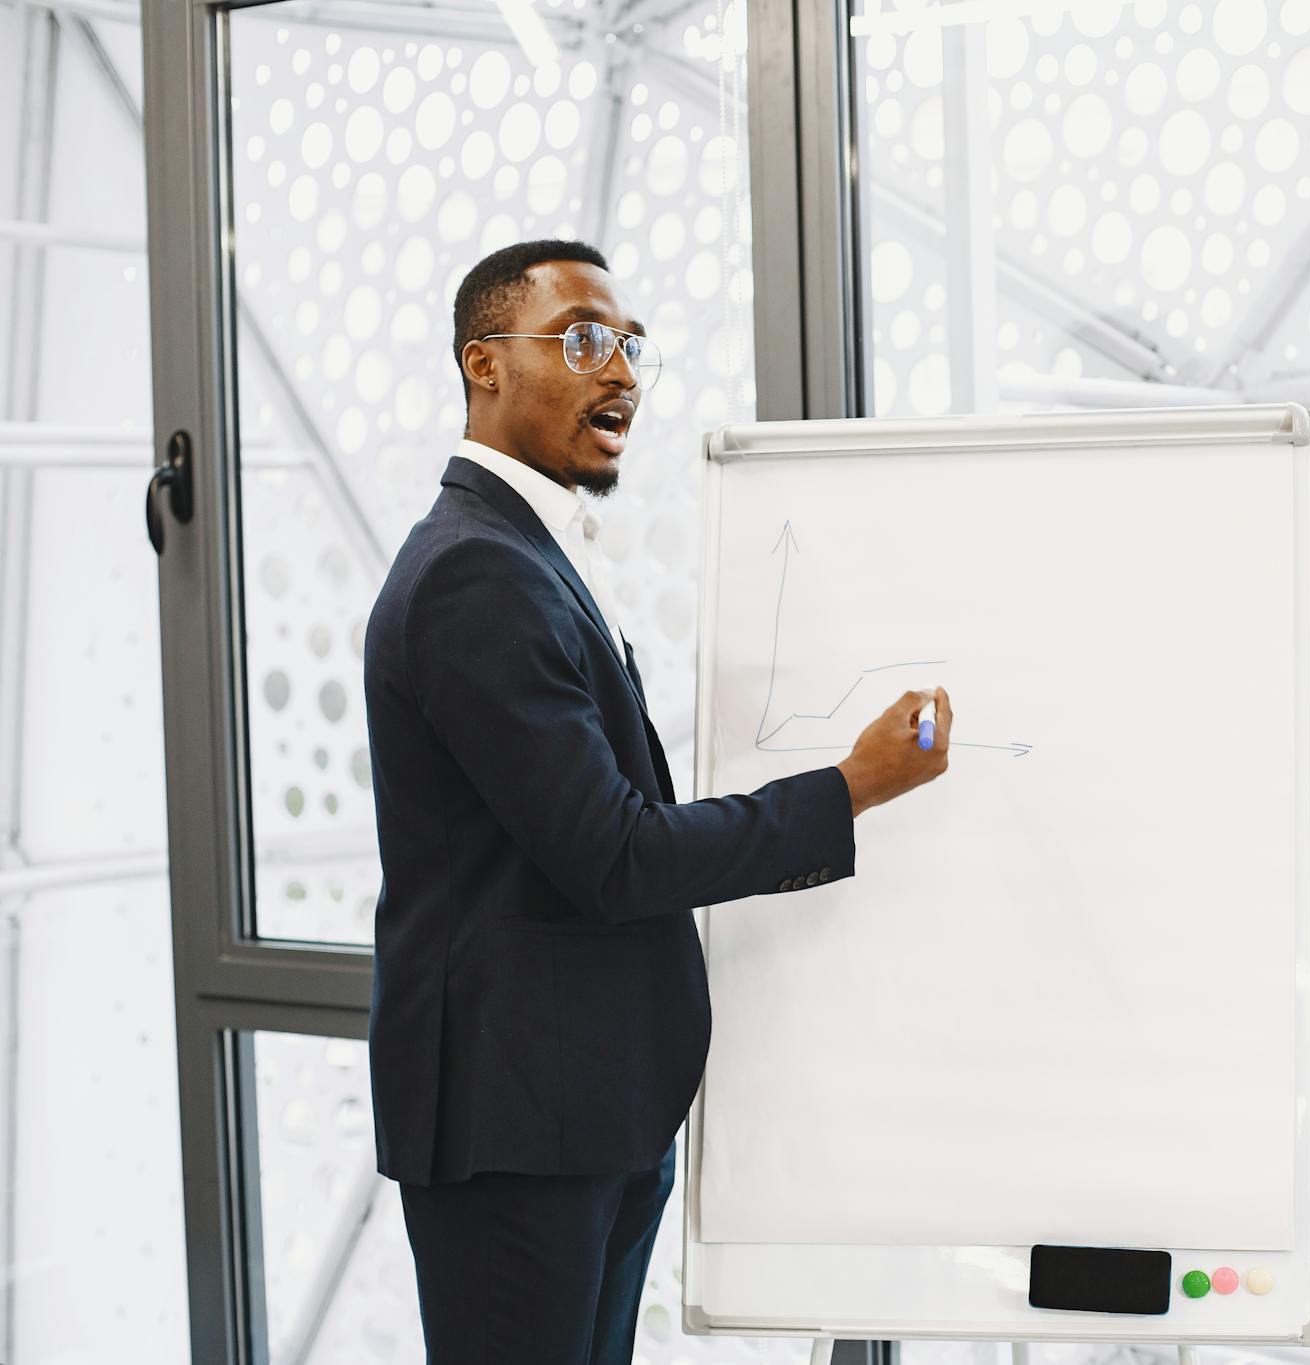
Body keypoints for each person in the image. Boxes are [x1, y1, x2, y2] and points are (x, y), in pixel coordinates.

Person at [361, 238, 951, 1364]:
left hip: (583, 1114)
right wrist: (850, 787)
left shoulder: (524, 553)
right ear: (483, 366)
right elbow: (614, 855)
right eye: (583, 339)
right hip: (517, 1133)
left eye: (631, 345)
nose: (619, 370)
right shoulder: (472, 573)